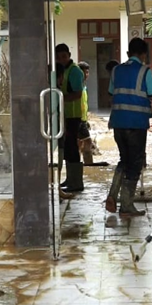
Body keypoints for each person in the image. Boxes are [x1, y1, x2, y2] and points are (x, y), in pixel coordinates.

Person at [105, 38, 152, 216]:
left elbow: (111, 94)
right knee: (135, 164)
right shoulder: (145, 71)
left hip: (118, 122)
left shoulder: (116, 70)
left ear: (128, 53)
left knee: (124, 159)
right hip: (136, 124)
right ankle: (126, 205)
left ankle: (113, 195)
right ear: (144, 55)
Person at [55, 44, 86, 193]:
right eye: (58, 57)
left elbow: (77, 94)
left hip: (73, 115)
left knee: (72, 148)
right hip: (64, 115)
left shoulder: (74, 71)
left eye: (64, 56)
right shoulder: (62, 70)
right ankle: (70, 179)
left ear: (69, 55)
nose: (61, 60)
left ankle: (76, 182)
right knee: (68, 148)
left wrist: (60, 98)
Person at [77, 61, 94, 165]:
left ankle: (78, 165)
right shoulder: (77, 85)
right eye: (84, 72)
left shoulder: (83, 86)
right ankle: (88, 165)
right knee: (87, 142)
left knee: (79, 143)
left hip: (82, 119)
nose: (86, 75)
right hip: (78, 118)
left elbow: (84, 104)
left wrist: (86, 120)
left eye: (87, 72)